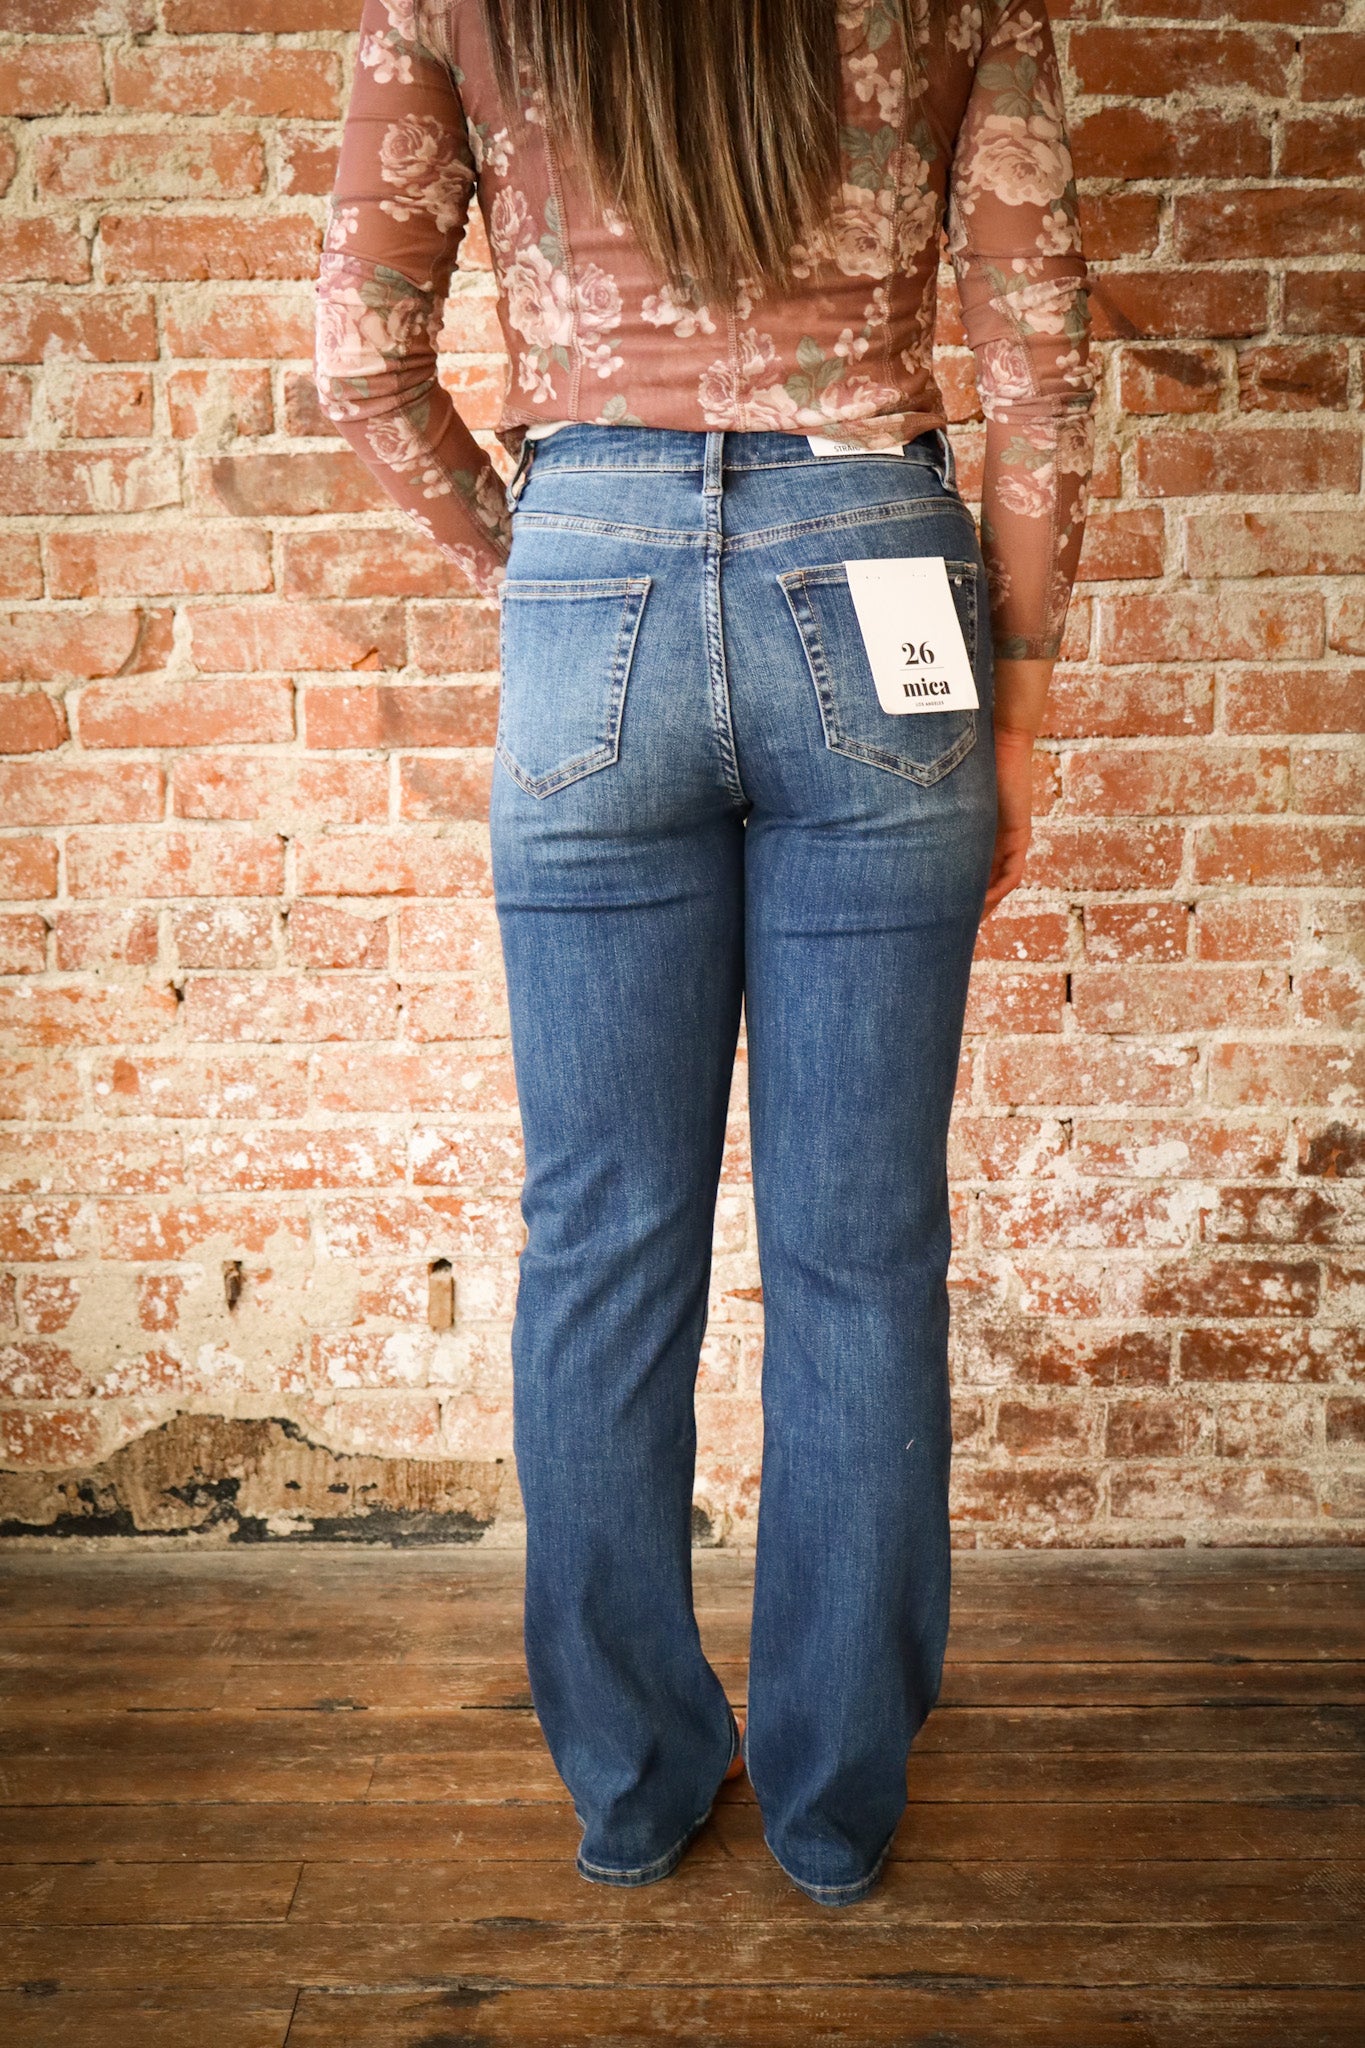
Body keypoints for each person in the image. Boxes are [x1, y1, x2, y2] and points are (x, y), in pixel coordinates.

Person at [315, 0, 1094, 1907]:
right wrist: (1016, 702)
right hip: (877, 550)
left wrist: (556, 566)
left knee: (600, 1234)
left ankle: (634, 1783)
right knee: (859, 1247)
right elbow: (1039, 359)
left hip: (591, 558)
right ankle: (833, 1805)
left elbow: (361, 355)